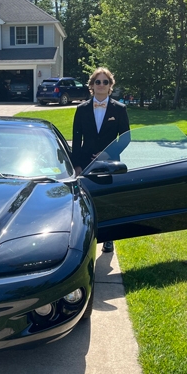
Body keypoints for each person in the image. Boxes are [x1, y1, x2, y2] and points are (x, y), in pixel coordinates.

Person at [71, 67, 130, 253]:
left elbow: (126, 137)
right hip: (86, 162)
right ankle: (86, 238)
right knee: (87, 200)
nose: (101, 85)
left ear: (110, 85)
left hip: (110, 162)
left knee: (108, 199)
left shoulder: (119, 109)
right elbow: (76, 138)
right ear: (92, 85)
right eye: (98, 82)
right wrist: (77, 164)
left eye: (105, 82)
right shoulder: (81, 109)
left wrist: (107, 153)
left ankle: (108, 238)